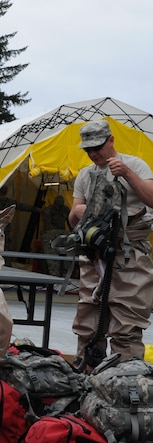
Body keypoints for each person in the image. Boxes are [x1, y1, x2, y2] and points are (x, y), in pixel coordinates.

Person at [69, 119, 153, 365]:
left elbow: (151, 198)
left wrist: (126, 173)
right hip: (95, 255)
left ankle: (125, 383)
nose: (93, 154)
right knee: (88, 323)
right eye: (88, 150)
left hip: (129, 255)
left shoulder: (135, 164)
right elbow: (73, 214)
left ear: (111, 140)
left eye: (98, 147)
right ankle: (85, 378)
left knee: (127, 325)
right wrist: (96, 213)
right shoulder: (85, 175)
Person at [41, 194, 71, 276]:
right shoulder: (49, 210)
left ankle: (63, 272)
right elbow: (48, 225)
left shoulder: (65, 210)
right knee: (49, 258)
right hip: (51, 235)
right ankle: (48, 275)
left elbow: (70, 222)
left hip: (60, 235)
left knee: (66, 255)